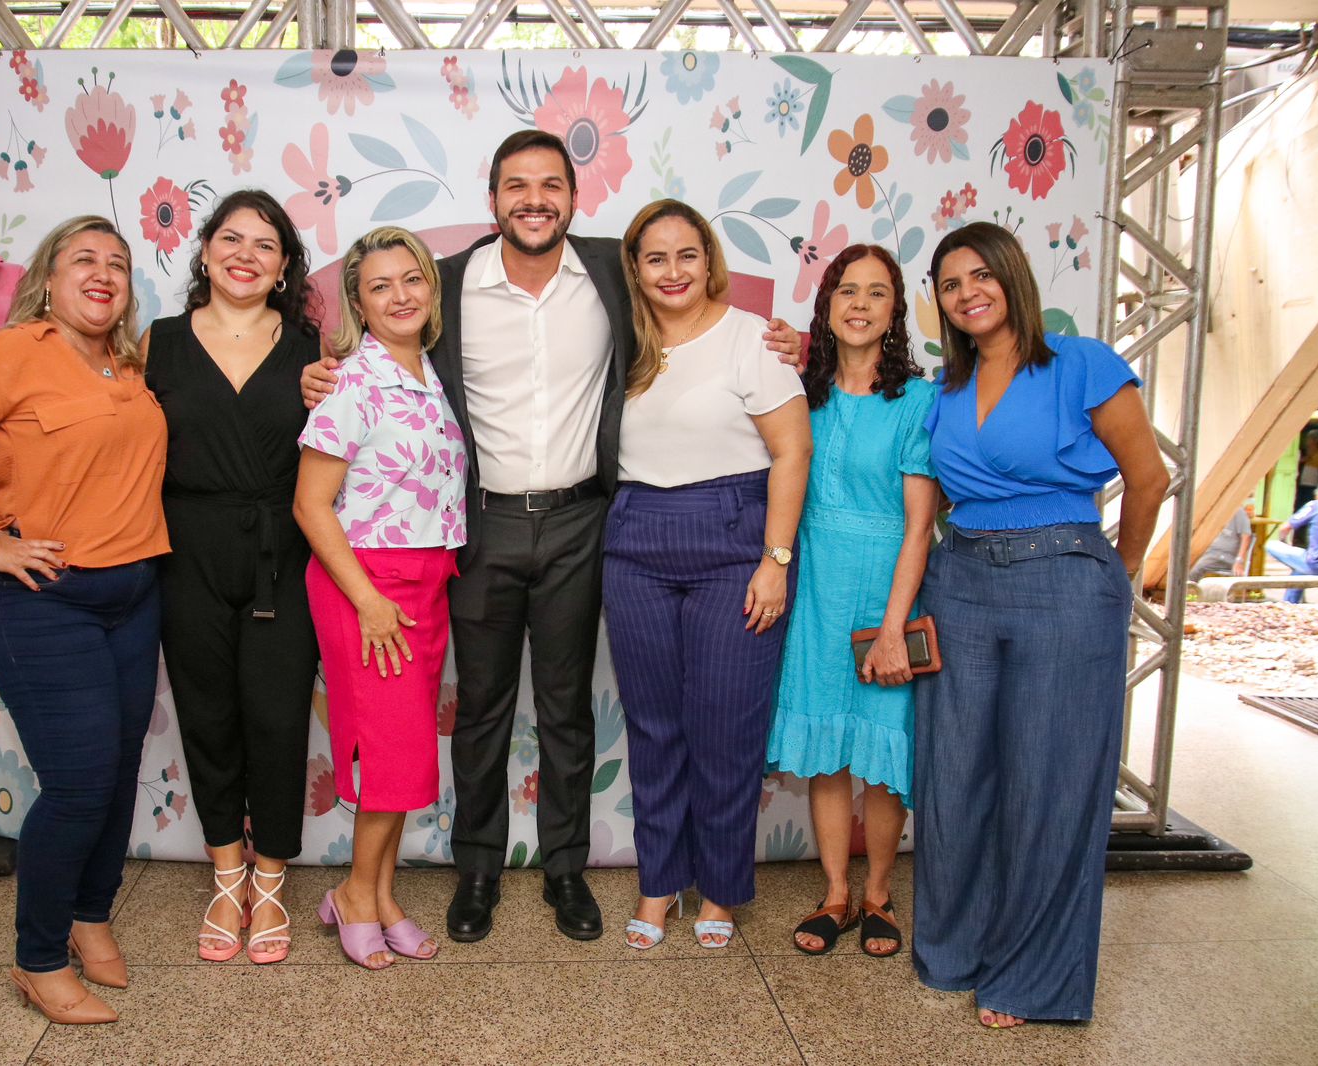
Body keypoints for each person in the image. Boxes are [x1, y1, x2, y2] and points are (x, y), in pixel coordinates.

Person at [302, 130, 801, 944]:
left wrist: (780, 340)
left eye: (550, 185)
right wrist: (321, 372)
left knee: (567, 708)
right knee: (482, 708)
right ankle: (477, 870)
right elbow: (380, 350)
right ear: (493, 198)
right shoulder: (444, 283)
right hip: (481, 524)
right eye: (516, 185)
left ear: (574, 196)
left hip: (581, 521)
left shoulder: (614, 270)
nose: (534, 200)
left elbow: (700, 314)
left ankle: (566, 869)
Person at [0, 216, 167, 1025]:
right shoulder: (11, 354)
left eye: (117, 263)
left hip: (133, 595)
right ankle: (38, 957)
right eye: (83, 259)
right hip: (43, 602)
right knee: (80, 783)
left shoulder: (130, 363)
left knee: (117, 772)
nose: (103, 273)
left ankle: (91, 916)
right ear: (47, 280)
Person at [915, 222, 1168, 1029]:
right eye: (951, 284)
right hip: (960, 580)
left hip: (1064, 578)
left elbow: (1149, 478)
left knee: (1048, 784)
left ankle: (1030, 980)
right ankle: (955, 951)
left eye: (981, 275)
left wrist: (1116, 573)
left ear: (1013, 276)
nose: (968, 293)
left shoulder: (1081, 363)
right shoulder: (943, 390)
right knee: (954, 777)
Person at [603, 200, 811, 951]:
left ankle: (721, 888)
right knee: (654, 727)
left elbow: (793, 451)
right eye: (655, 258)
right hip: (635, 540)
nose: (673, 271)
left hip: (735, 541)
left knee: (726, 726)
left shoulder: (752, 338)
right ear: (634, 269)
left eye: (686, 254)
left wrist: (774, 561)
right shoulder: (620, 342)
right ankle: (660, 881)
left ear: (709, 260)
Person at [141, 190, 320, 965]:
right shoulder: (157, 342)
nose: (247, 254)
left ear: (284, 268)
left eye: (266, 244)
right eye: (232, 239)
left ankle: (270, 880)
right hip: (187, 548)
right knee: (207, 714)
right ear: (207, 251)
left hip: (285, 549)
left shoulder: (315, 351)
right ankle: (225, 876)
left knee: (278, 720)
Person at [293, 226, 465, 970]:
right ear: (358, 305)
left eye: (412, 280)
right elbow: (310, 504)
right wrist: (366, 599)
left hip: (426, 583)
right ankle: (356, 895)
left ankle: (382, 894)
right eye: (380, 286)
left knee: (406, 751)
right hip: (365, 584)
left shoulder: (429, 375)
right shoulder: (353, 382)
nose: (400, 296)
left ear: (431, 288)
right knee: (391, 750)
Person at [766, 244, 939, 959]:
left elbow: (920, 525)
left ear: (895, 312)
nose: (860, 304)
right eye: (846, 290)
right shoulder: (799, 393)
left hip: (884, 591)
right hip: (816, 592)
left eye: (876, 292)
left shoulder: (918, 402)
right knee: (828, 751)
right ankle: (836, 894)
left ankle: (879, 895)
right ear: (827, 305)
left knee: (883, 751)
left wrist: (894, 627)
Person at [1265, 499, 1318, 602]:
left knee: (1271, 544)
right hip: (1309, 562)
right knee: (1300, 567)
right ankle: (1290, 603)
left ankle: (1289, 604)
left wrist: (1284, 542)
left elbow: (1284, 528)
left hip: (1314, 564)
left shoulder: (1315, 505)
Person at [1187, 506, 1252, 582]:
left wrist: (1239, 561)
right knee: (1182, 564)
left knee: (1194, 569)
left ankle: (1188, 588)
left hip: (1223, 556)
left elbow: (1246, 537)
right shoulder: (1215, 509)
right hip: (1208, 552)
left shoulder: (1238, 512)